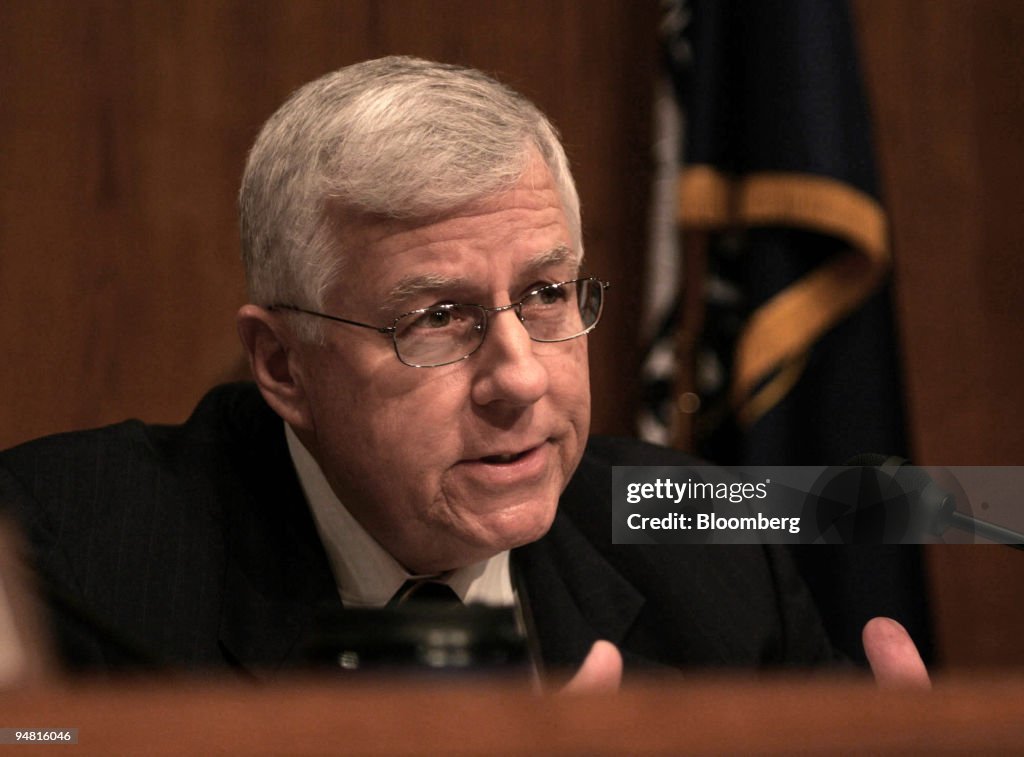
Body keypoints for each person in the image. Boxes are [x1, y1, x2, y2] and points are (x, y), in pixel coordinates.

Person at [0, 56, 926, 689]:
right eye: (438, 318)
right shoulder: (60, 568)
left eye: (547, 294)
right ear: (282, 365)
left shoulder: (707, 548)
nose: (519, 379)